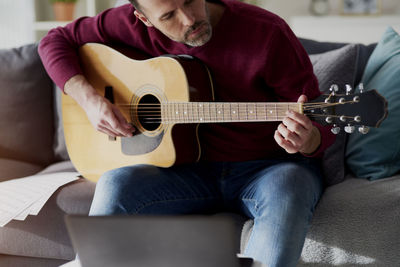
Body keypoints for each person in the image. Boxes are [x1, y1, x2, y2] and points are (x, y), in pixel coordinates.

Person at [39, 0, 334, 266]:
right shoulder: (126, 23)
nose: (189, 18)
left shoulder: (266, 32)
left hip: (268, 168)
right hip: (183, 170)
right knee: (117, 182)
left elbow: (319, 118)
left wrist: (309, 139)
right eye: (168, 15)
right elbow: (55, 40)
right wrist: (90, 100)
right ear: (143, 19)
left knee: (290, 185)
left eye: (191, 1)